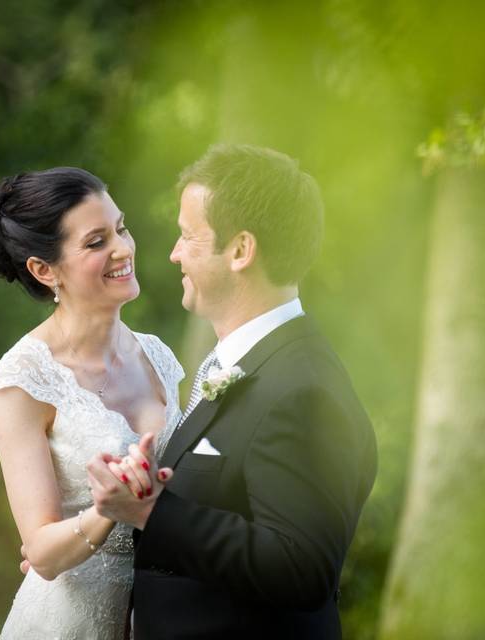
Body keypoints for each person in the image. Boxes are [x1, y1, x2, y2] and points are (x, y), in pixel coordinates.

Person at [87, 144, 378, 638]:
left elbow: (302, 566)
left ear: (241, 250)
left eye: (187, 237)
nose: (174, 253)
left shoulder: (302, 390)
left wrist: (151, 512)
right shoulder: (246, 364)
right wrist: (151, 488)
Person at [0, 167, 184, 639]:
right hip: (69, 622)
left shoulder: (160, 356)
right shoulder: (24, 378)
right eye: (96, 242)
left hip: (161, 616)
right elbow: (42, 552)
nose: (123, 249)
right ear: (44, 270)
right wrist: (107, 510)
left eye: (121, 228)